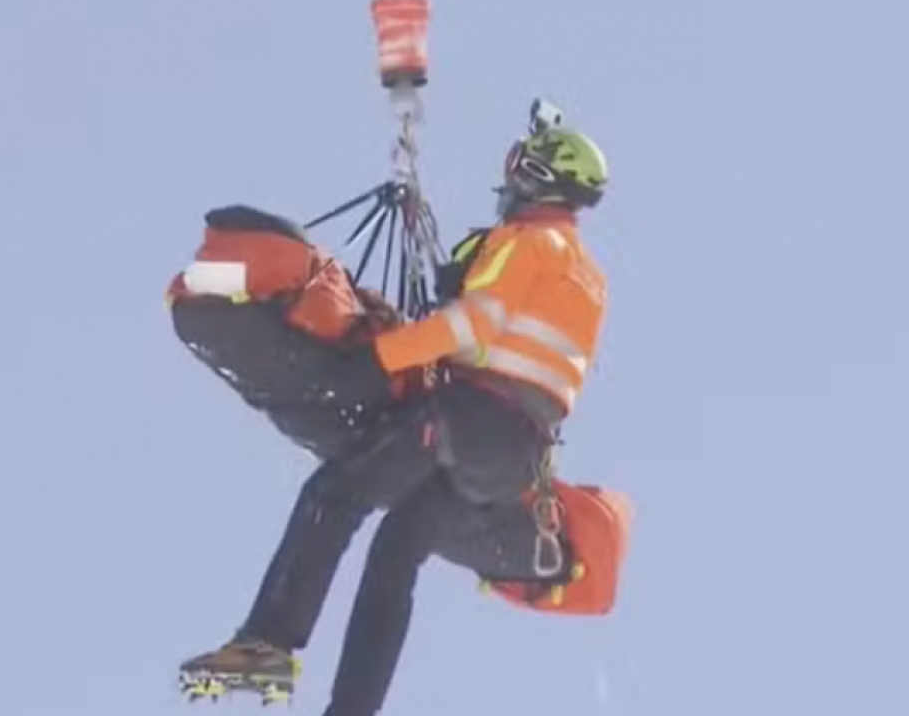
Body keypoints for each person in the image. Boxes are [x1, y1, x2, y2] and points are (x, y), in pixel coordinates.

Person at [179, 120, 611, 716]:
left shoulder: (529, 240)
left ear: (536, 173)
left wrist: (375, 362)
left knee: (335, 495)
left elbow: (471, 329)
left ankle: (268, 647)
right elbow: (526, 349)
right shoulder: (586, 274)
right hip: (514, 459)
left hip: (472, 417)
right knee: (394, 557)